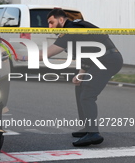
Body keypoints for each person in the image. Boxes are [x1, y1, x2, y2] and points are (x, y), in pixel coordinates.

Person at [21, 8, 123, 146]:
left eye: (51, 22)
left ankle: (93, 134)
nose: (49, 27)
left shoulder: (70, 30)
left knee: (88, 94)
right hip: (102, 60)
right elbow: (86, 54)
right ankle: (87, 127)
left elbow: (50, 52)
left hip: (108, 60)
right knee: (81, 86)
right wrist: (81, 74)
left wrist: (24, 57)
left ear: (61, 20)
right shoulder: (74, 29)